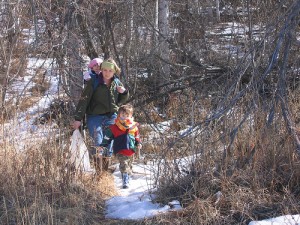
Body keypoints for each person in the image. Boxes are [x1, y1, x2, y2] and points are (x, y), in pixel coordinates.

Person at [72, 58, 129, 165]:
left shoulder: (116, 83)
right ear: (101, 70)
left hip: (111, 116)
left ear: (114, 71)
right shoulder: (94, 81)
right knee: (98, 142)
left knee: (108, 143)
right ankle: (99, 171)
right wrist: (78, 118)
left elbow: (120, 101)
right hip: (94, 116)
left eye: (110, 71)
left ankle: (105, 171)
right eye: (105, 70)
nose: (107, 73)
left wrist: (124, 92)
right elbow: (84, 100)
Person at [98, 104, 142, 189]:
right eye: (122, 115)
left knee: (129, 165)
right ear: (119, 115)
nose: (124, 117)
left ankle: (128, 175)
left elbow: (137, 137)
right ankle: (125, 181)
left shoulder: (133, 127)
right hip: (120, 149)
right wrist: (103, 145)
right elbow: (107, 137)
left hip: (131, 150)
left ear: (131, 115)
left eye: (127, 115)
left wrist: (138, 143)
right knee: (124, 164)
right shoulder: (115, 127)